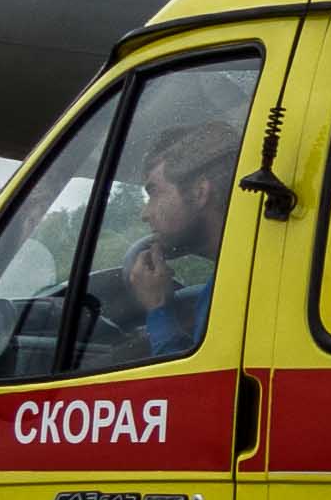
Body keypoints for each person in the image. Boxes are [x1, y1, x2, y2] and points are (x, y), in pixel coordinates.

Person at [101, 120, 240, 363]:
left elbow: (196, 390)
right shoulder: (242, 272)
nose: (144, 213)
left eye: (153, 192)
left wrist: (157, 308)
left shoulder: (234, 288)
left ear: (199, 192)